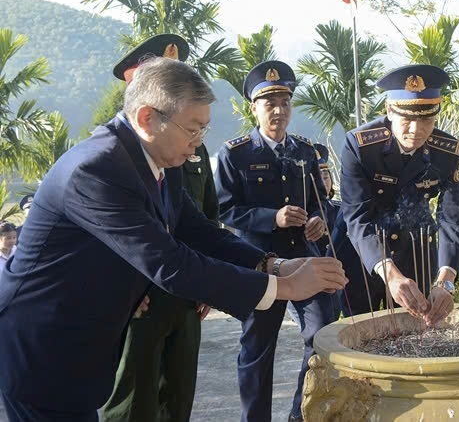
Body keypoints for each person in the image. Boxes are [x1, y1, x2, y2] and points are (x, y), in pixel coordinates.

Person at [0, 57, 346, 422]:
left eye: (203, 131)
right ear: (149, 118)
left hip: (85, 343)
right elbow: (170, 263)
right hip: (44, 347)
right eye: (193, 129)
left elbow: (197, 232)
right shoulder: (97, 169)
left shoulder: (159, 160)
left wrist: (271, 263)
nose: (197, 145)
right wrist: (281, 288)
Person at [101, 34, 220, 422]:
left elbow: (202, 218)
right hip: (139, 296)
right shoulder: (109, 160)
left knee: (179, 396)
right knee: (133, 402)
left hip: (185, 291)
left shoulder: (190, 146)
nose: (194, 139)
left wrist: (208, 281)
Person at [215, 60, 336, 422]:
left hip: (305, 257)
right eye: (270, 104)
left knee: (321, 337)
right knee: (257, 348)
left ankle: (300, 415)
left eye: (284, 102)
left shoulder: (306, 152)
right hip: (259, 264)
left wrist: (319, 221)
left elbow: (322, 202)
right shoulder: (236, 154)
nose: (279, 111)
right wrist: (273, 218)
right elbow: (225, 209)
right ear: (254, 107)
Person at [340, 64, 459, 327]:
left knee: (417, 335)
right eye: (407, 119)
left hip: (416, 251)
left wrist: (445, 280)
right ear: (389, 111)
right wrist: (391, 275)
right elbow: (357, 218)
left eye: (426, 120)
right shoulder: (361, 146)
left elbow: (452, 218)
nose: (416, 129)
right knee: (361, 335)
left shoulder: (448, 152)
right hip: (363, 254)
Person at [314, 143, 376, 318]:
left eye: (325, 176)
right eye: (317, 177)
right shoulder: (298, 216)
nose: (322, 181)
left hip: (347, 286)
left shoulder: (344, 211)